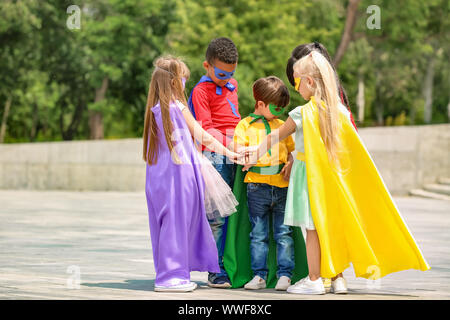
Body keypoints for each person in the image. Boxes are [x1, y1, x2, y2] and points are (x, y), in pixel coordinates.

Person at [242, 51, 430, 295]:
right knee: (329, 227)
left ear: (310, 82)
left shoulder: (302, 113)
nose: (296, 87)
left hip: (308, 179)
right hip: (332, 180)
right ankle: (338, 279)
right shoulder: (338, 112)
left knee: (312, 229)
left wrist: (252, 155)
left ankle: (314, 278)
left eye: (297, 82)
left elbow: (273, 137)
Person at [142, 55, 243, 292]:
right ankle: (171, 277)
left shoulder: (154, 111)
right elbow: (203, 135)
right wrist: (230, 152)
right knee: (179, 222)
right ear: (175, 83)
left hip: (158, 179)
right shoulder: (177, 107)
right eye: (183, 78)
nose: (186, 83)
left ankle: (171, 271)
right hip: (180, 176)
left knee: (165, 224)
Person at [232, 76, 300, 291]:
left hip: (281, 186)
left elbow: (291, 151)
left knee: (284, 234)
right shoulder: (245, 125)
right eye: (276, 107)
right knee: (258, 235)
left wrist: (291, 161)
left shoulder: (282, 126)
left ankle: (285, 275)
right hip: (256, 187)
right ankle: (259, 275)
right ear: (260, 104)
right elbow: (237, 149)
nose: (280, 112)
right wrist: (242, 154)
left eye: (282, 108)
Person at [188, 37, 241, 288]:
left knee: (238, 212)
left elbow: (235, 120)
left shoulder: (233, 85)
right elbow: (206, 130)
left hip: (235, 153)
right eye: (221, 73)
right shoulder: (200, 91)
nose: (226, 78)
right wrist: (231, 146)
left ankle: (234, 263)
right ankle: (215, 269)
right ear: (206, 66)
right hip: (215, 156)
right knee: (218, 215)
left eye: (231, 74)